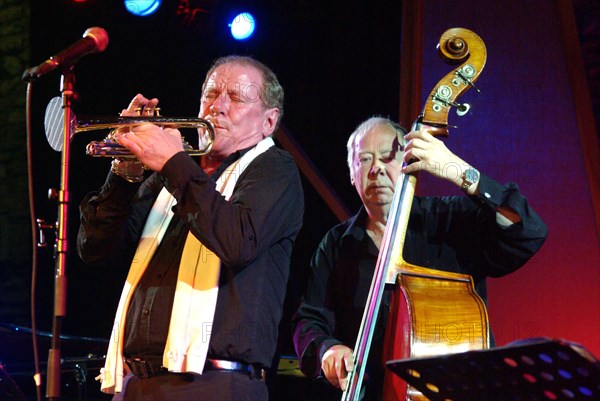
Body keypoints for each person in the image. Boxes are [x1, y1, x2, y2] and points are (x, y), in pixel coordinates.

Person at [77, 55, 304, 401]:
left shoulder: (275, 169)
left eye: (237, 97)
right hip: (135, 384)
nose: (218, 106)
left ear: (269, 122)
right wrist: (124, 173)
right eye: (211, 94)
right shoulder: (169, 177)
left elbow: (237, 241)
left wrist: (174, 163)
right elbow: (95, 249)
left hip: (214, 385)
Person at [292, 116, 548, 400]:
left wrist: (456, 169)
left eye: (388, 157)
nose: (376, 168)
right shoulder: (335, 245)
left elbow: (527, 231)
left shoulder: (450, 221)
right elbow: (309, 320)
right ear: (352, 173)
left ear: (409, 161)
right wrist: (328, 349)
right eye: (364, 159)